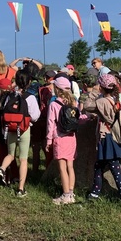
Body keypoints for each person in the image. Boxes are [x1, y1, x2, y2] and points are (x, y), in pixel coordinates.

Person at [0, 69, 40, 197]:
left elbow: (5, 111)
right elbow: (35, 116)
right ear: (29, 82)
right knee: (23, 159)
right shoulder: (30, 97)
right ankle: (20, 189)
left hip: (10, 129)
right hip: (24, 129)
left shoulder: (10, 96)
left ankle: (2, 169)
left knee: (10, 155)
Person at [87, 73, 121, 204]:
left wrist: (93, 92)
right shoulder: (115, 100)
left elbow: (87, 106)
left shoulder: (102, 102)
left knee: (115, 168)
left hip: (106, 137)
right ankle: (95, 192)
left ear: (101, 87)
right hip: (113, 135)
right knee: (99, 165)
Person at [46, 76, 87, 204]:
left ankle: (65, 195)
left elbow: (51, 124)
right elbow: (79, 118)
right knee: (70, 166)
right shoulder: (73, 103)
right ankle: (71, 193)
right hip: (71, 137)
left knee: (62, 168)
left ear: (58, 89)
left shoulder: (54, 104)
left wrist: (48, 140)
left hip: (60, 137)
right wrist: (89, 117)